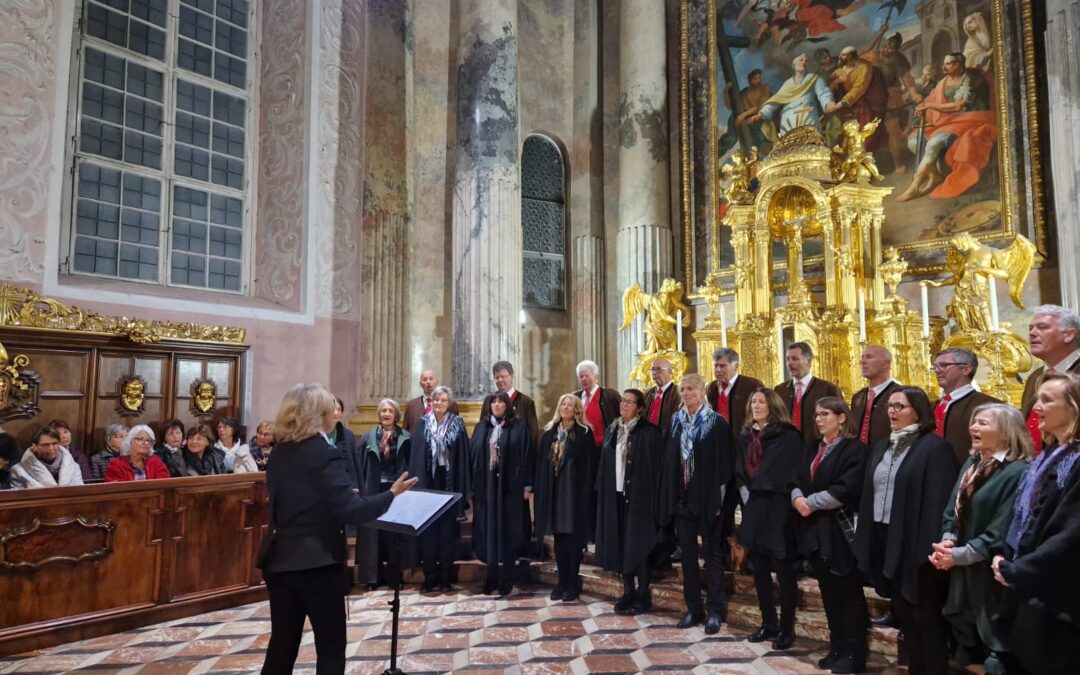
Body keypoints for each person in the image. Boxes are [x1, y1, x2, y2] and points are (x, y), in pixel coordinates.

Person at [259, 382, 417, 675]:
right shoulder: (323, 452)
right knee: (330, 647)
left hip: (279, 560)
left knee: (282, 645)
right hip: (317, 563)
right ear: (315, 413)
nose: (335, 410)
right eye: (329, 405)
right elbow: (351, 510)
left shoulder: (280, 452)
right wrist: (391, 494)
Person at [854, 387, 957, 675]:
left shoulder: (935, 448)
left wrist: (927, 551)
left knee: (925, 618)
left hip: (918, 545)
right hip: (887, 538)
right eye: (889, 406)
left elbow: (938, 504)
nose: (892, 411)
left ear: (918, 412)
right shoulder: (883, 446)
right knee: (905, 618)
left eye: (900, 406)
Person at [929, 403, 1031, 674]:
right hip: (962, 568)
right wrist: (948, 541)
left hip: (990, 574)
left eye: (983, 423)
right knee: (964, 642)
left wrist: (957, 557)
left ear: (1007, 431)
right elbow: (953, 507)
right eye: (974, 421)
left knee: (996, 644)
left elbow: (1002, 528)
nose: (973, 427)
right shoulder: (974, 461)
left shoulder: (1018, 471)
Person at [991, 374, 1080, 673]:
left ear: (1074, 408)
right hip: (1028, 583)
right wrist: (1005, 554)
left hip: (1058, 594)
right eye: (1037, 398)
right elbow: (1023, 515)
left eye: (1047, 400)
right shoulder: (1053, 454)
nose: (1036, 407)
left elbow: (1072, 532)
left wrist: (1021, 570)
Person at [793, 397, 869, 673]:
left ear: (841, 418)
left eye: (825, 414)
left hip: (840, 531)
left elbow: (847, 488)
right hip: (815, 531)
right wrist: (797, 497)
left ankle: (855, 652)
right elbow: (797, 478)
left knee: (849, 594)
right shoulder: (814, 448)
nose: (818, 419)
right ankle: (837, 646)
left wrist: (808, 503)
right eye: (816, 414)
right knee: (829, 594)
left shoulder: (854, 450)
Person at [658, 374, 734, 634]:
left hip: (708, 499)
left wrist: (719, 501)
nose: (686, 393)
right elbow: (669, 461)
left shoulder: (717, 422)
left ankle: (715, 610)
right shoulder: (676, 420)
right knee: (688, 557)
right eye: (683, 389)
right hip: (682, 499)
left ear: (702, 392)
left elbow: (724, 466)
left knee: (712, 556)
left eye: (691, 389)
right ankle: (693, 608)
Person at [735, 387, 804, 650]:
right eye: (753, 401)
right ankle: (769, 623)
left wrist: (757, 489)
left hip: (778, 509)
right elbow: (739, 470)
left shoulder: (787, 435)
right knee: (760, 568)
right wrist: (746, 494)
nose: (755, 405)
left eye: (761, 401)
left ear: (773, 405)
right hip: (754, 507)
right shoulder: (746, 435)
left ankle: (787, 628)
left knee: (784, 570)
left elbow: (787, 471)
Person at [595, 389, 663, 615]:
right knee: (622, 544)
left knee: (639, 545)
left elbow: (655, 469)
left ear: (640, 408)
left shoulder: (649, 432)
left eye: (630, 402)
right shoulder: (612, 429)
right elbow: (604, 463)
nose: (624, 405)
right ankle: (627, 592)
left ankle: (643, 595)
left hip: (640, 498)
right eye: (623, 401)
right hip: (615, 494)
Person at [897, 52, 994, 202]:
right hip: (946, 121)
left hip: (970, 119)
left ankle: (915, 186)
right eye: (945, 63)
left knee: (934, 142)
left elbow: (958, 106)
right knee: (914, 141)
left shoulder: (972, 80)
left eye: (948, 63)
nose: (944, 67)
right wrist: (923, 105)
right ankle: (935, 175)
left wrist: (929, 105)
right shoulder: (943, 82)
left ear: (958, 65)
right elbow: (932, 98)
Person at [471, 391, 534, 596]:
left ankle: (507, 577)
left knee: (508, 530)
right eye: (493, 402)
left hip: (509, 489)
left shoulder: (518, 426)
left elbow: (526, 456)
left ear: (507, 404)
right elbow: (474, 456)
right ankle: (491, 576)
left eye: (500, 401)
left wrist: (527, 486)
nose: (496, 405)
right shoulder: (482, 427)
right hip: (487, 488)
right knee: (488, 530)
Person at [408, 385, 470, 592]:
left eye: (443, 400)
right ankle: (429, 577)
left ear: (449, 402)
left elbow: (462, 458)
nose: (439, 404)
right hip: (429, 481)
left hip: (448, 480)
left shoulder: (457, 424)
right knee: (428, 531)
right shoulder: (423, 424)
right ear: (431, 402)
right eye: (436, 400)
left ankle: (445, 577)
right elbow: (416, 457)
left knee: (447, 532)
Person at [533, 394, 594, 601]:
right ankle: (561, 581)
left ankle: (572, 582)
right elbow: (542, 464)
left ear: (577, 410)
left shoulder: (584, 433)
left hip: (574, 493)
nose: (566, 407)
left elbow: (588, 468)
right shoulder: (550, 433)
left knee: (573, 539)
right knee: (559, 539)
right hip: (555, 490)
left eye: (570, 405)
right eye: (563, 404)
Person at [354, 399, 410, 590]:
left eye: (390, 411)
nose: (386, 414)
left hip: (396, 490)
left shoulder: (405, 437)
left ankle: (396, 577)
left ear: (396, 415)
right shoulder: (368, 437)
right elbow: (360, 466)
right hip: (373, 490)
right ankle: (372, 578)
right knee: (372, 533)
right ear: (379, 414)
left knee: (394, 534)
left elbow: (410, 465)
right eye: (383, 411)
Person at [1020, 305, 1080, 453]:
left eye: (1042, 327)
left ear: (1069, 334)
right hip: (1038, 467)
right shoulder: (1035, 377)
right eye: (1030, 328)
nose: (1032, 333)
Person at [573, 359, 620, 542]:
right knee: (584, 491)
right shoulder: (576, 397)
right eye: (581, 376)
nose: (584, 379)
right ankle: (586, 531)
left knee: (599, 491)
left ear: (596, 376)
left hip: (603, 451)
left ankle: (600, 532)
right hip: (582, 453)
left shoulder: (608, 395)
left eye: (587, 375)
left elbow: (618, 419)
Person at [932, 348, 999, 466]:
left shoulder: (989, 406)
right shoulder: (932, 405)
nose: (937, 370)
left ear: (966, 369)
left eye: (943, 365)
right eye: (935, 366)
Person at [747, 53, 835, 137]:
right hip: (788, 120)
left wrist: (828, 103)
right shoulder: (787, 83)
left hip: (807, 115)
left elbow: (823, 93)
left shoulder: (813, 78)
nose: (804, 62)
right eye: (801, 60)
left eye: (806, 61)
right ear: (794, 64)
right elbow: (776, 100)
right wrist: (761, 114)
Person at [776, 342, 842, 448]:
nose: (790, 363)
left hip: (818, 450)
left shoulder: (827, 389)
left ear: (809, 361)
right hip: (786, 450)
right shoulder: (780, 390)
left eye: (795, 359)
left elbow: (839, 423)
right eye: (787, 359)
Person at [850, 345, 902, 447]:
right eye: (862, 358)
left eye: (869, 357)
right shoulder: (858, 397)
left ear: (885, 364)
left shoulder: (900, 394)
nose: (863, 361)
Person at [9, 426, 86, 489]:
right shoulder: (19, 471)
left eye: (55, 443)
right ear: (34, 447)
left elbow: (80, 495)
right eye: (46, 445)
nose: (51, 448)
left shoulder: (74, 466)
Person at [105, 424, 170, 482]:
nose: (146, 443)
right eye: (140, 439)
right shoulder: (116, 464)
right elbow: (116, 490)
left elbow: (163, 485)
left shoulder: (156, 461)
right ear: (130, 441)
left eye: (149, 440)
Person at [403, 369, 458, 433]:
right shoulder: (411, 405)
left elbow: (456, 428)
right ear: (420, 384)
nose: (428, 382)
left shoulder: (450, 403)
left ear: (437, 382)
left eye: (431, 379)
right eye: (425, 379)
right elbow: (405, 431)